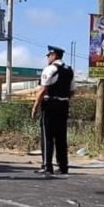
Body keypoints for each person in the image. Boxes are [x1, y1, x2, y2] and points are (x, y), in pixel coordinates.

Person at [31, 45, 75, 175]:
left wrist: (35, 107)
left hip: (50, 105)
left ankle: (47, 165)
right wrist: (63, 98)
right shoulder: (69, 70)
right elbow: (72, 91)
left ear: (54, 55)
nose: (47, 58)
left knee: (47, 136)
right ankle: (63, 166)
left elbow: (43, 90)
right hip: (63, 105)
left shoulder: (49, 69)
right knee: (61, 137)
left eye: (48, 55)